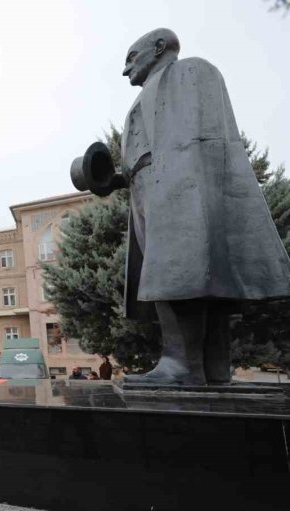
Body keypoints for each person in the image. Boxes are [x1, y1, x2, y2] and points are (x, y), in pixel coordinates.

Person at [75, 28, 290, 385]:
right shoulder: (148, 95)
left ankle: (182, 365)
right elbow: (146, 154)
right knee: (179, 276)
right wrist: (118, 177)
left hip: (181, 187)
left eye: (131, 58)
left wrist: (185, 189)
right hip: (149, 189)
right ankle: (211, 368)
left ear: (159, 48)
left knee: (181, 274)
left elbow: (203, 141)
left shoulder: (191, 72)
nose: (126, 71)